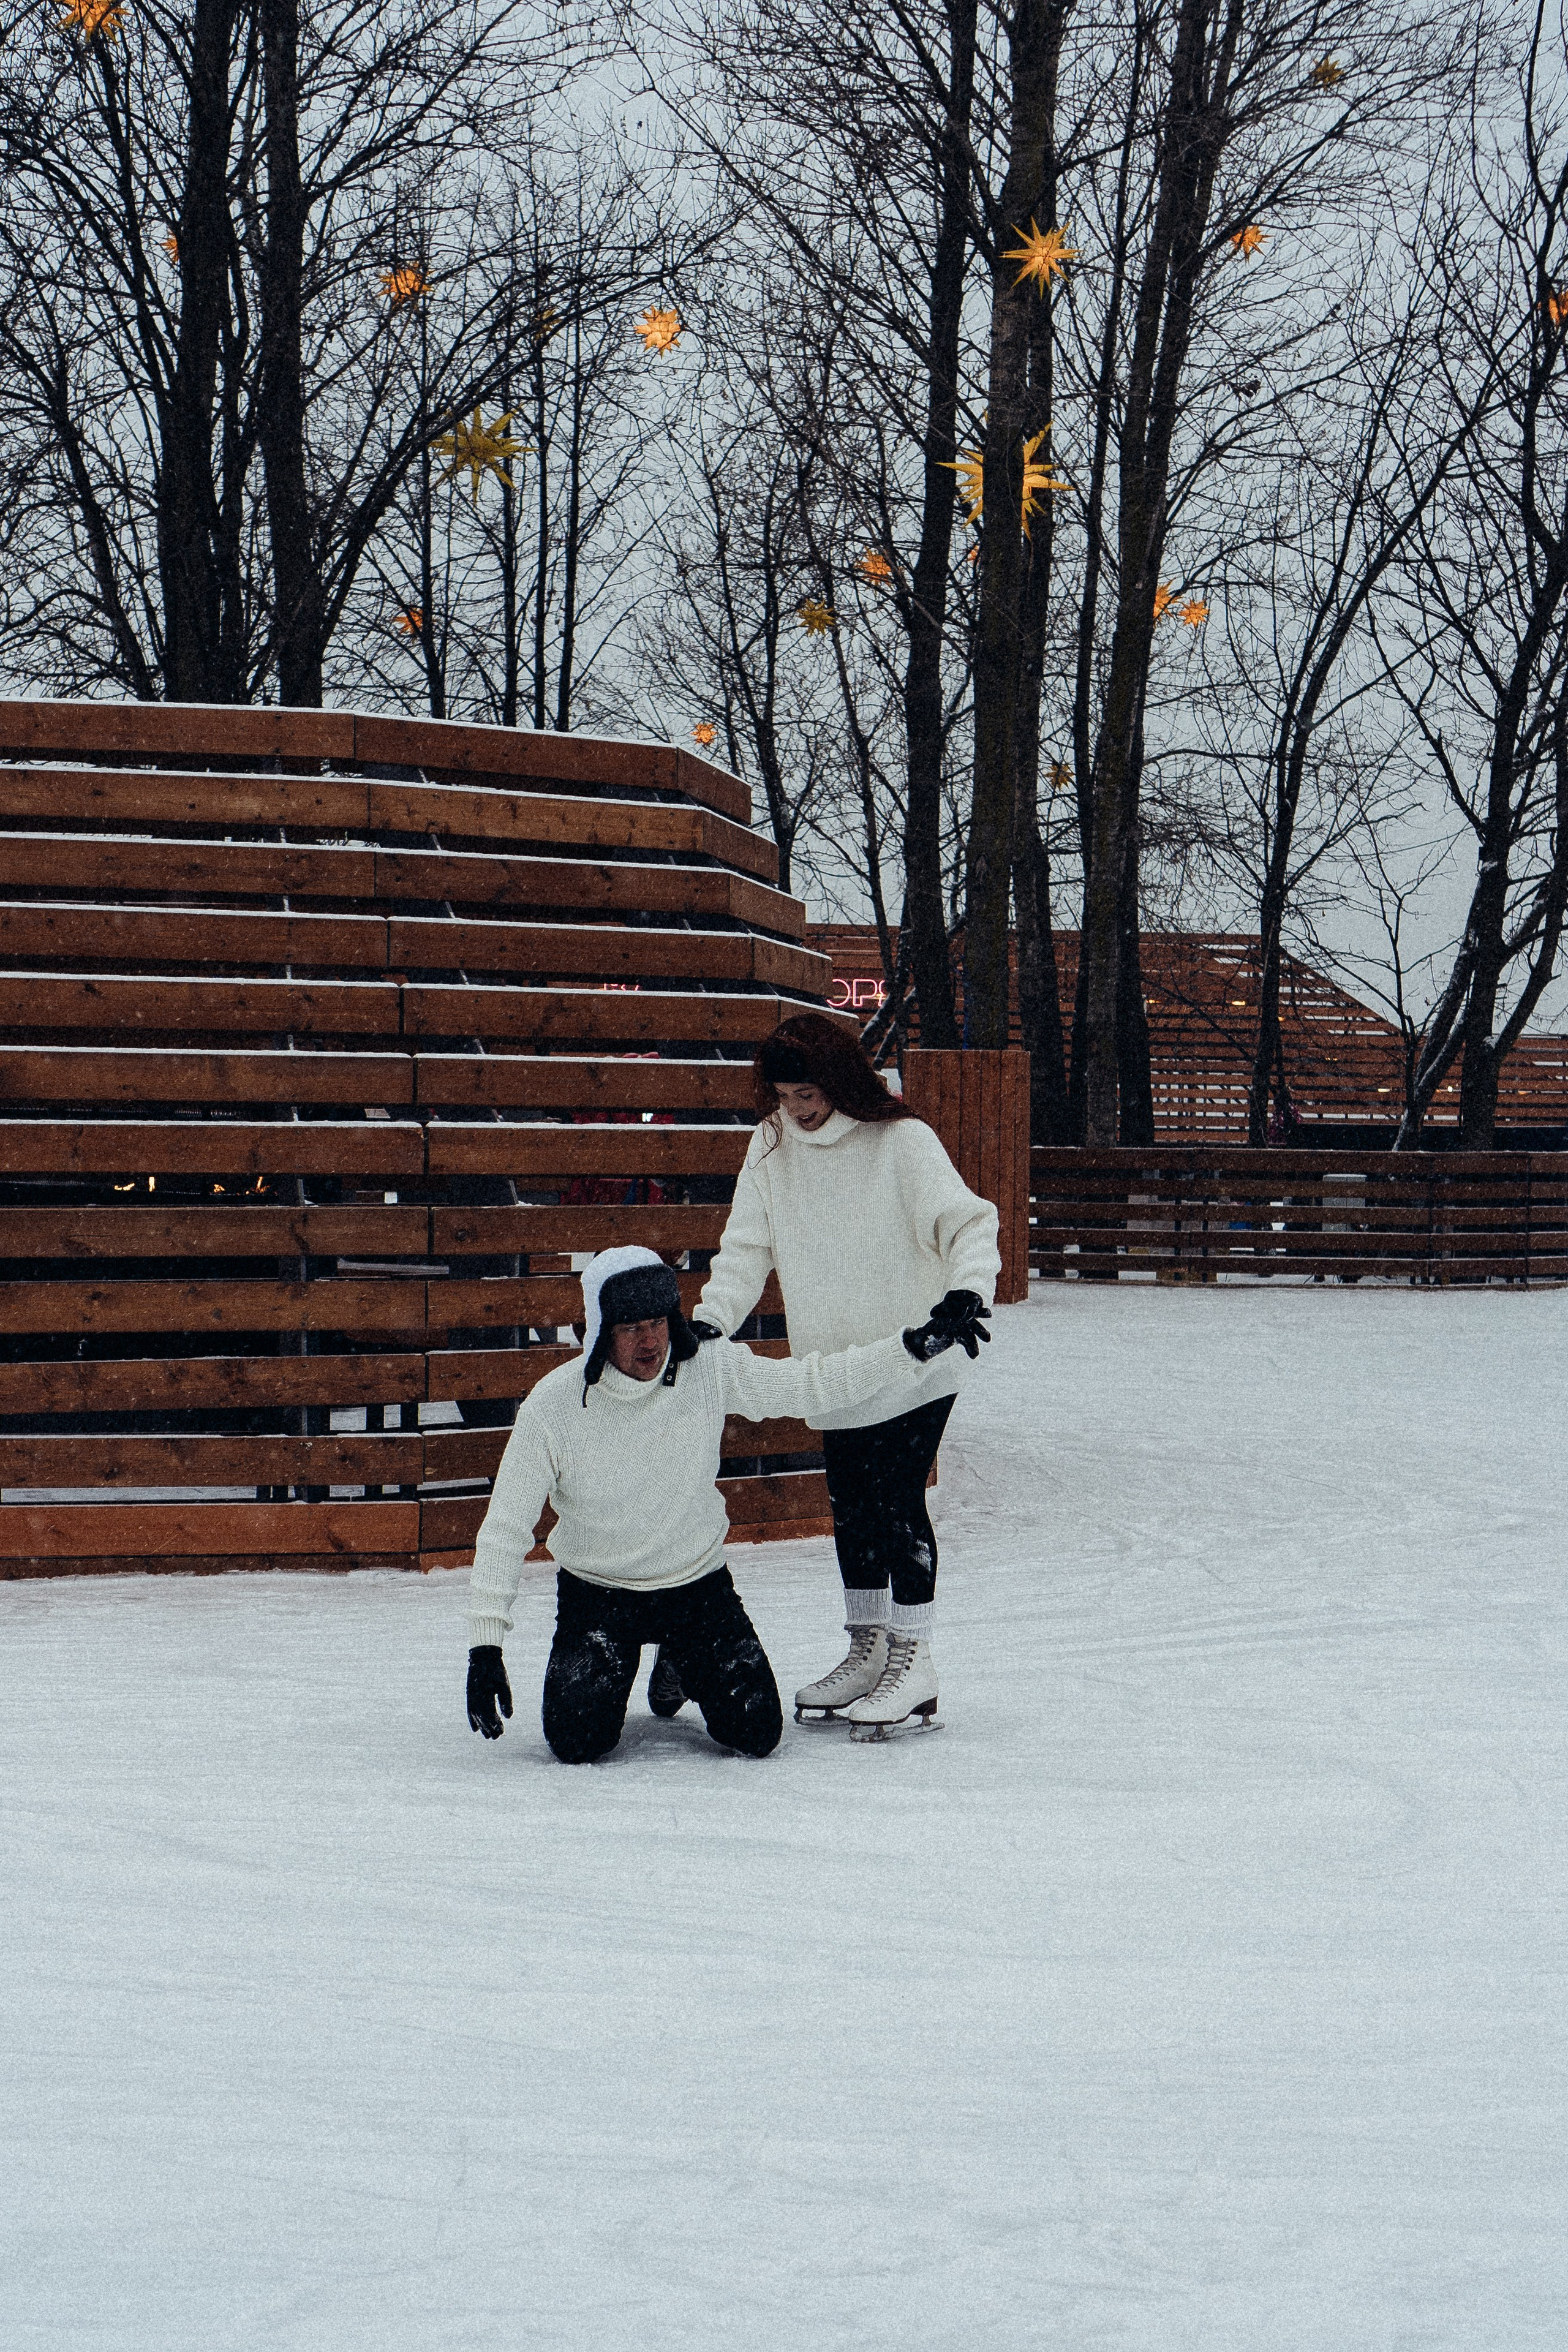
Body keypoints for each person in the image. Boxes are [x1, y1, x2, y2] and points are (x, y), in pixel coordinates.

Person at [464, 1244, 970, 1762]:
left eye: (659, 1322)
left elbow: (811, 1385)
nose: (650, 1340)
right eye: (631, 1326)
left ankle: (679, 1659)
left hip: (695, 1588)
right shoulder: (555, 1406)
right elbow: (505, 1528)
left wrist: (910, 1349)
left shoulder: (707, 1368)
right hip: (599, 1595)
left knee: (756, 1732)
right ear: (599, 1332)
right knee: (577, 1742)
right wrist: (486, 1646)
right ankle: (652, 1658)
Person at [688, 1012, 999, 1737]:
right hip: (834, 1367)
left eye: (808, 1092)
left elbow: (966, 1223)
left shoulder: (901, 1141)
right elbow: (745, 1248)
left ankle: (913, 1656)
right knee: (852, 1508)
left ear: (841, 1079)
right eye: (786, 1095)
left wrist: (966, 1292)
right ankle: (868, 1648)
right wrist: (711, 1319)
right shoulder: (769, 1147)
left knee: (895, 1503)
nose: (798, 1109)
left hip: (918, 1352)